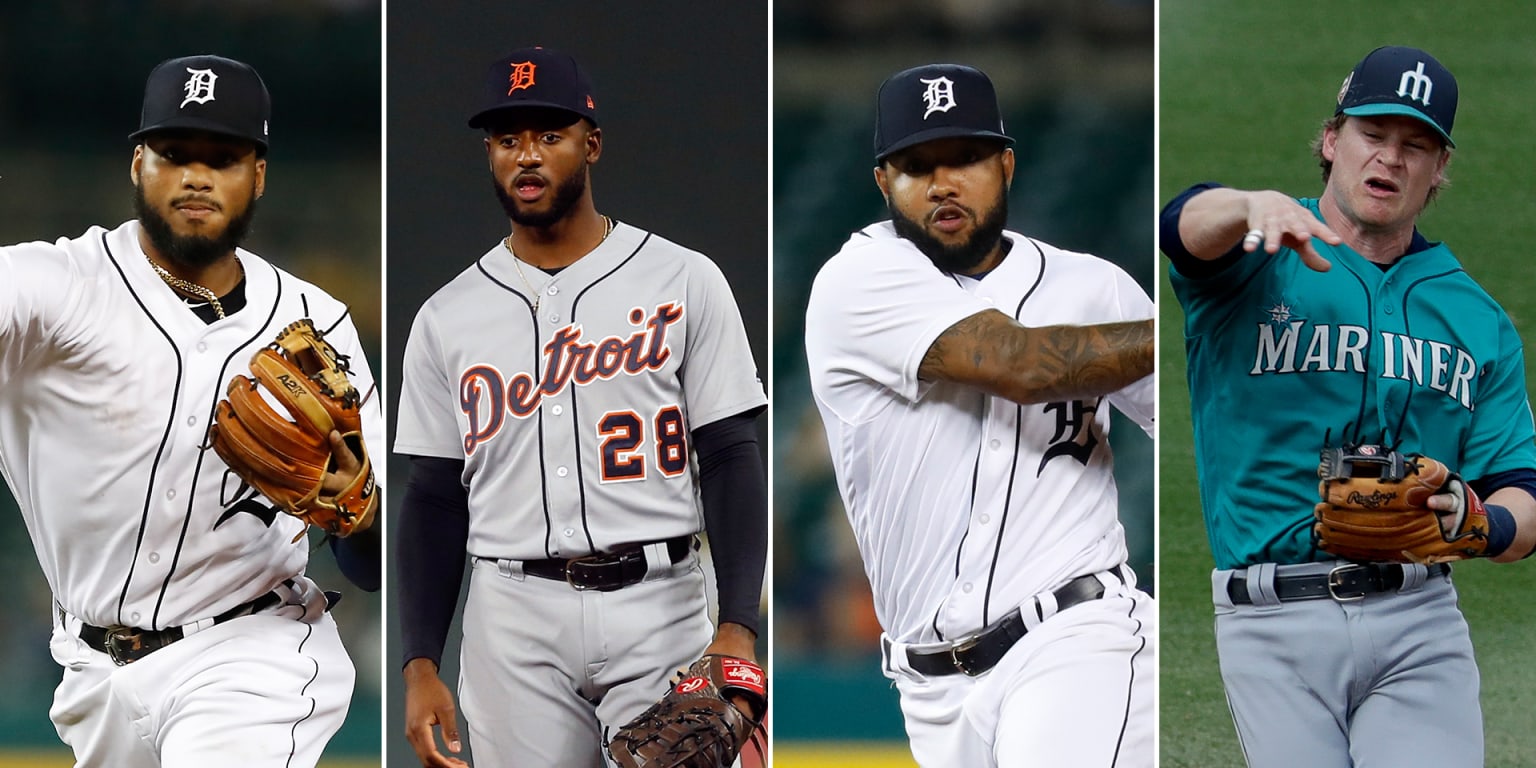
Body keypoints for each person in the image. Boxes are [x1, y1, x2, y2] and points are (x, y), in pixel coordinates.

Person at [0, 55, 382, 766]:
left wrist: (358, 513)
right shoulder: (54, 289)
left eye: (224, 157)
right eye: (175, 154)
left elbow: (373, 564)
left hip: (254, 652)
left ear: (258, 174)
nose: (197, 176)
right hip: (93, 675)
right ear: (138, 163)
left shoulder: (317, 323)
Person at [1160, 45, 1536, 767]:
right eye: (1374, 135)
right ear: (1333, 142)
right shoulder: (1261, 250)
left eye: (1415, 145)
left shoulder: (1477, 317)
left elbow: (1523, 492)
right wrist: (1245, 205)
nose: (1390, 159)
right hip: (1271, 625)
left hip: (1418, 618)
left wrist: (1481, 519)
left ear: (1439, 171)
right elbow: (1180, 228)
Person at [394, 46, 768, 767]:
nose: (526, 156)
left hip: (661, 601)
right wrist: (418, 664)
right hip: (512, 612)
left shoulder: (684, 279)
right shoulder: (447, 316)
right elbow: (435, 500)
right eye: (507, 140)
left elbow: (730, 455)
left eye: (548, 135)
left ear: (591, 144)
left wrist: (739, 627)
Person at [803, 63, 1157, 768]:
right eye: (916, 165)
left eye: (965, 157)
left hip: (1077, 635)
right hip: (929, 691)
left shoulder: (1095, 287)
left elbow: (1196, 417)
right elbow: (1022, 365)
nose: (943, 182)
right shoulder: (857, 279)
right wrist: (1190, 337)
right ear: (883, 182)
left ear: (1006, 163)